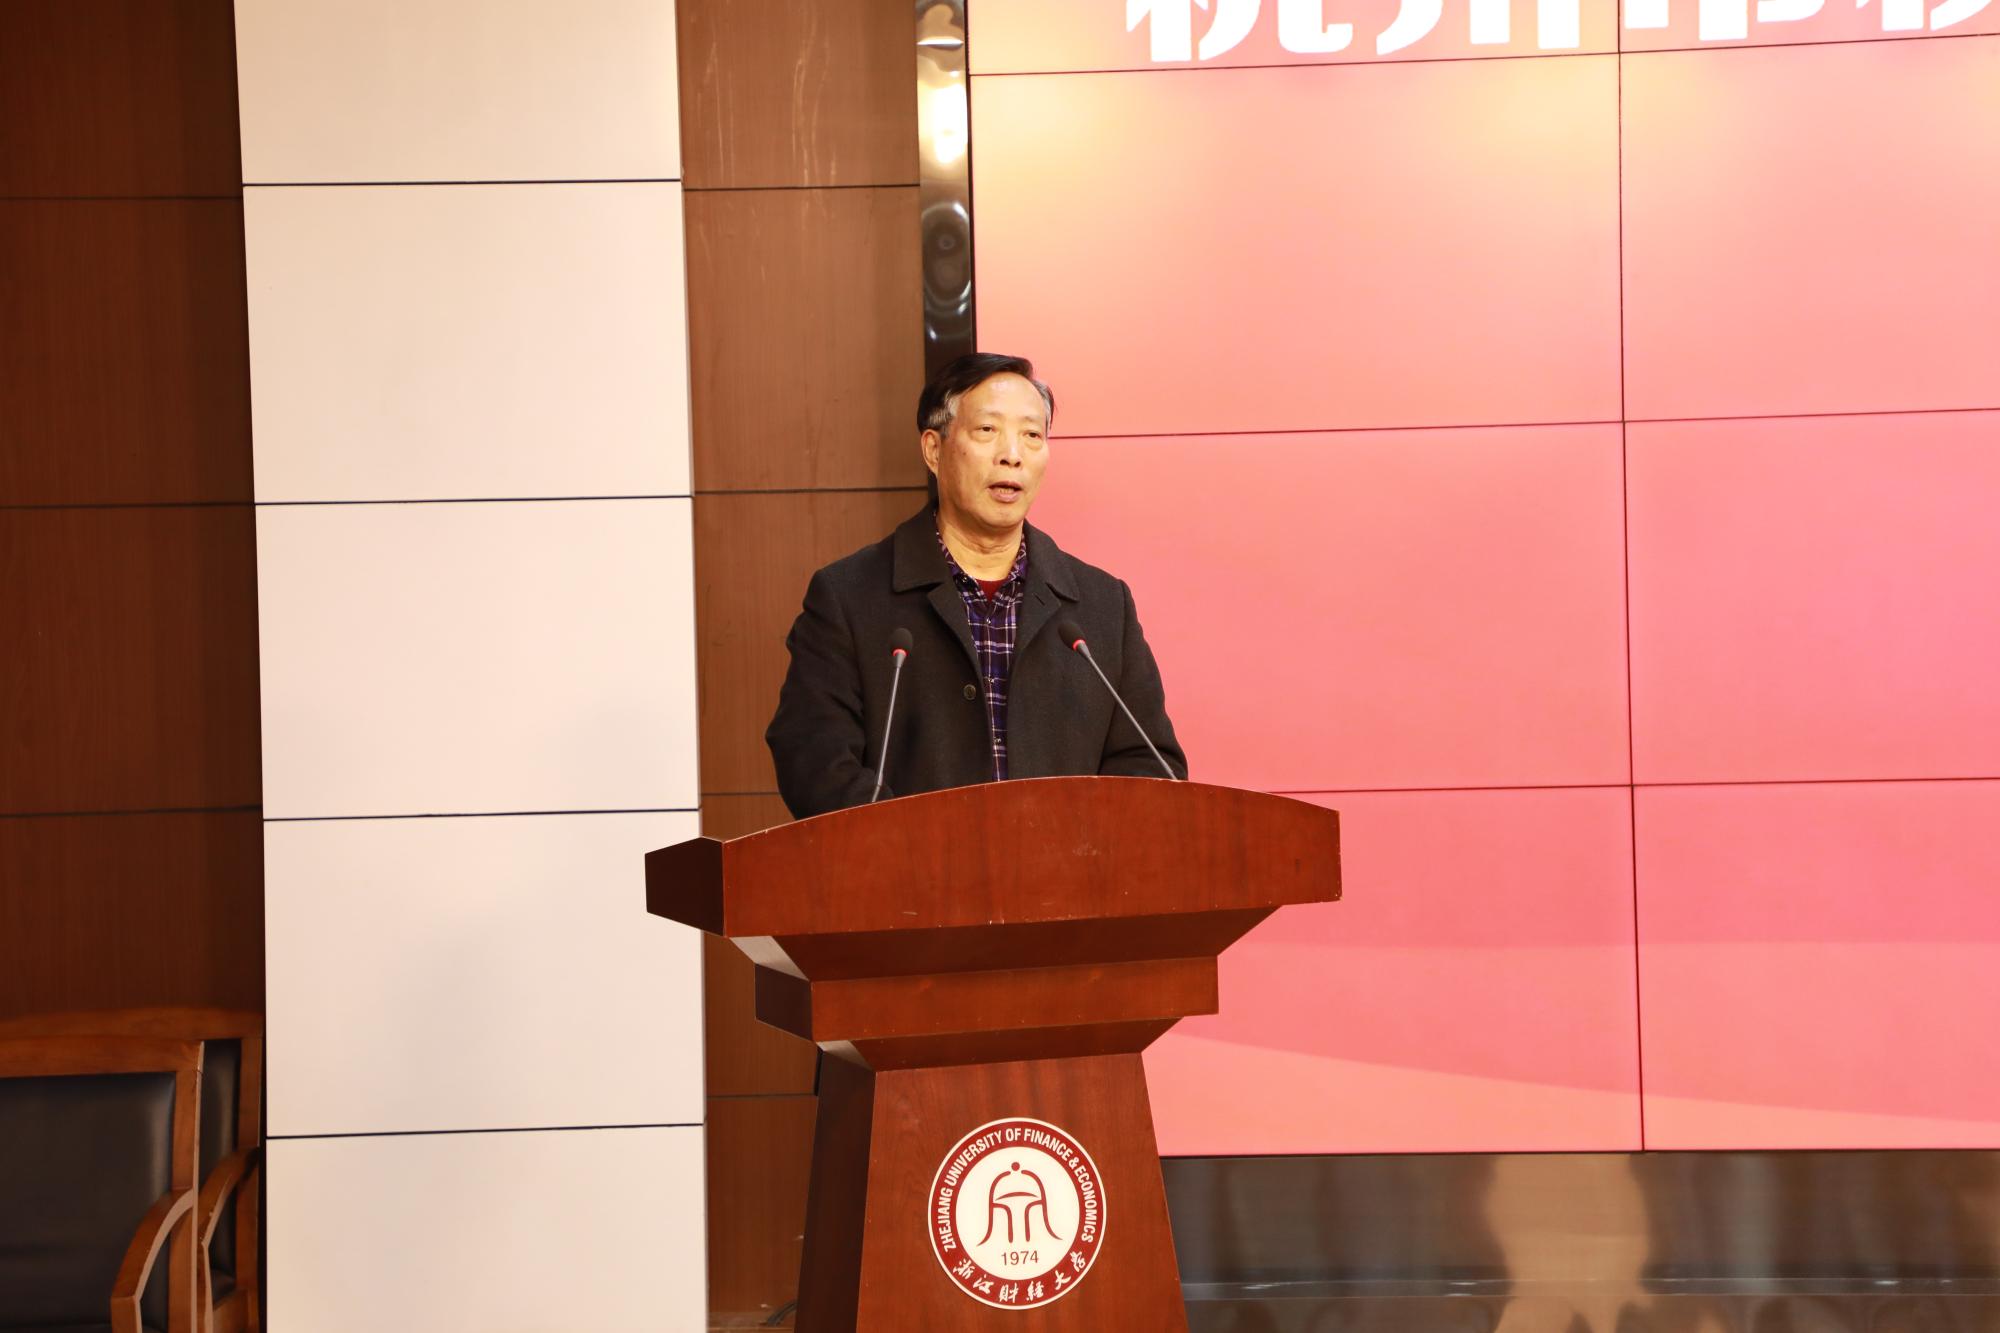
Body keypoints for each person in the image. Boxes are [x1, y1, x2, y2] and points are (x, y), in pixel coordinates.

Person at [765, 352, 1187, 818]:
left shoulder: (1102, 606)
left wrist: (1069, 846)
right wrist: (919, 848)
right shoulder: (848, 597)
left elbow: (1150, 764)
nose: (1012, 454)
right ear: (934, 449)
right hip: (911, 864)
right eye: (988, 430)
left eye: (1032, 435)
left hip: (1065, 865)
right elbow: (814, 761)